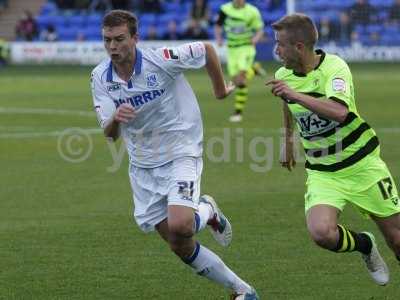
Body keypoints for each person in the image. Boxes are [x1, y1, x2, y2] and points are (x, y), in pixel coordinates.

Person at [91, 10, 259, 300]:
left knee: (181, 224)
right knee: (179, 243)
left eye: (119, 39)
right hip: (142, 165)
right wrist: (117, 118)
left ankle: (205, 210)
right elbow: (109, 134)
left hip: (182, 149)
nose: (113, 47)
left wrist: (220, 90)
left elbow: (206, 49)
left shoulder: (161, 59)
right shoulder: (100, 78)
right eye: (107, 40)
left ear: (135, 38)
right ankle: (242, 290)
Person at [266, 13, 400, 286]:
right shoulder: (283, 74)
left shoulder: (334, 68)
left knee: (397, 240)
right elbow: (287, 104)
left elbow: (339, 112)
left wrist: (294, 94)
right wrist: (288, 142)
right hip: (324, 172)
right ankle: (364, 244)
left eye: (280, 44)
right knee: (321, 233)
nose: (276, 50)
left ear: (299, 47)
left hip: (363, 165)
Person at [215, 0, 265, 123]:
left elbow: (259, 29)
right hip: (232, 50)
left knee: (241, 80)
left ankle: (238, 112)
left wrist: (255, 39)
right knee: (236, 80)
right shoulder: (225, 9)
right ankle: (253, 69)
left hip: (245, 48)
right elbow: (218, 25)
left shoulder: (252, 11)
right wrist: (219, 38)